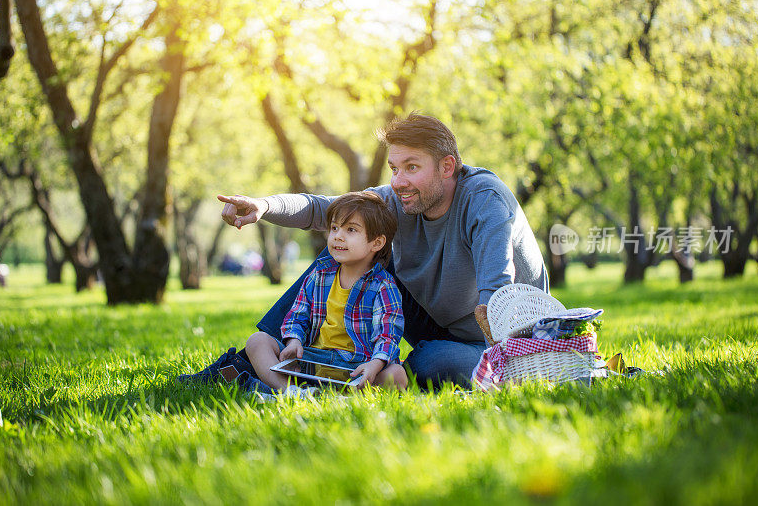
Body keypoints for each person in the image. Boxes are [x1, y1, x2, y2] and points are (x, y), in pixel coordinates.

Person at [187, 112, 548, 389]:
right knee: (345, 243)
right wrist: (264, 206)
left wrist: (499, 361)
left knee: (430, 364)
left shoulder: (484, 199)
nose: (398, 181)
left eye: (411, 168)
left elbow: (497, 289)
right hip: (432, 321)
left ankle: (355, 372)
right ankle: (262, 358)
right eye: (394, 168)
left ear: (447, 167)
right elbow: (324, 209)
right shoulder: (401, 199)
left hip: (495, 336)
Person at [180, 192, 408, 393]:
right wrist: (294, 341)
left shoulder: (383, 286)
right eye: (335, 228)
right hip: (313, 361)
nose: (338, 236)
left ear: (376, 243)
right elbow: (298, 313)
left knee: (397, 374)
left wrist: (375, 365)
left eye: (351, 230)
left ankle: (344, 394)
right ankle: (292, 392)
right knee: (257, 341)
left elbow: (388, 333)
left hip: (357, 367)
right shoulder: (320, 275)